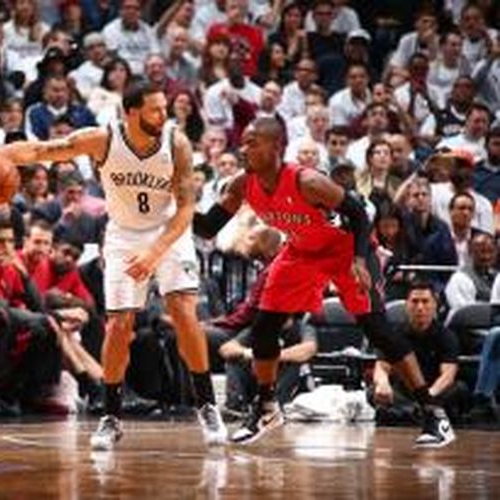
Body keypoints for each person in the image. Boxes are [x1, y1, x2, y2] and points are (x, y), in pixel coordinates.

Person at [0, 81, 227, 449]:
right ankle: (111, 416)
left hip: (169, 232)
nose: (163, 115)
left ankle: (207, 405)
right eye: (155, 109)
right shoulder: (102, 139)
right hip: (124, 236)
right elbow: (40, 150)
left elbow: (187, 208)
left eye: (164, 108)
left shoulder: (177, 143)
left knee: (184, 313)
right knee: (119, 325)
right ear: (131, 112)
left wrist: (155, 252)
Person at [193, 117, 455, 447]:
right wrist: (177, 204)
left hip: (346, 250)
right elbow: (206, 228)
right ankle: (267, 406)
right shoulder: (242, 184)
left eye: (252, 142)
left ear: (276, 147)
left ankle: (433, 414)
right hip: (301, 250)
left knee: (377, 330)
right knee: (263, 327)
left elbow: (358, 212)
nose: (243, 149)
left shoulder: (307, 181)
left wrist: (361, 259)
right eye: (242, 142)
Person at [371, 281, 468, 425]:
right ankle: (418, 412)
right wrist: (382, 383)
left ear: (435, 305)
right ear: (406, 305)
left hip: (434, 390)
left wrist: (427, 395)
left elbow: (448, 375)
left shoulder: (447, 336)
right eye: (415, 302)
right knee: (373, 391)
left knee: (460, 389)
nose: (420, 307)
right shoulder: (393, 335)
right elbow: (381, 366)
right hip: (404, 392)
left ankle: (408, 413)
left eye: (425, 302)